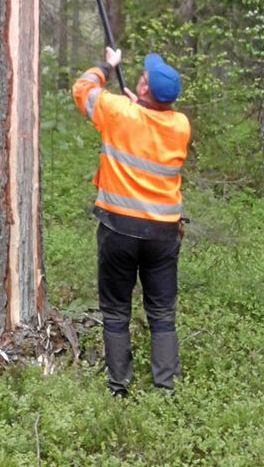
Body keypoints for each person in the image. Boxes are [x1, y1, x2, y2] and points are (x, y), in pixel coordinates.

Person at [72, 47, 190, 396]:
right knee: (162, 313)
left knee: (116, 311)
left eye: (142, 78)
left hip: (118, 230)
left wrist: (108, 66)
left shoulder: (117, 112)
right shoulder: (180, 125)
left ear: (142, 91)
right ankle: (165, 387)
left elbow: (83, 88)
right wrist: (136, 106)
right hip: (164, 234)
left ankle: (118, 386)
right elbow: (151, 122)